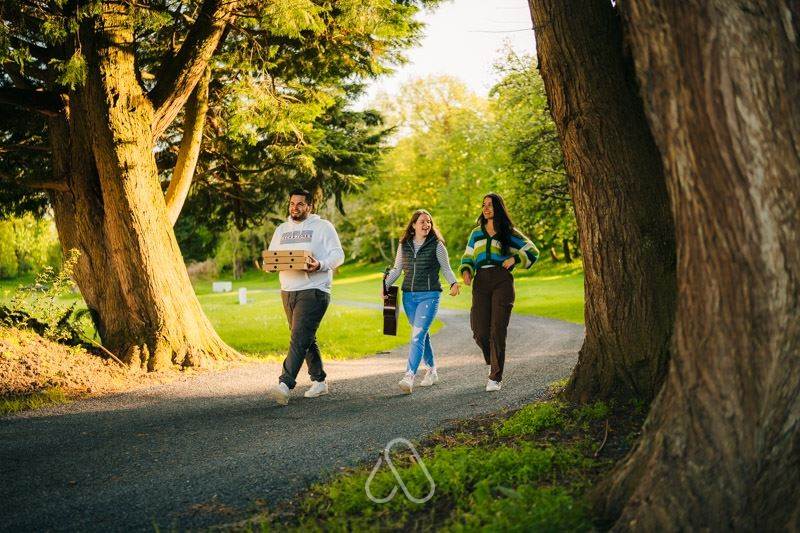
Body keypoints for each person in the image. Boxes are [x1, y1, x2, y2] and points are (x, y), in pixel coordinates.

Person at [266, 188, 344, 406]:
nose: (295, 208)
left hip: (315, 290)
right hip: (288, 290)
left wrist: (320, 264)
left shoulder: (323, 227)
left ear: (310, 206)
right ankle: (319, 381)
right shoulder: (281, 230)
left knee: (299, 337)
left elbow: (338, 255)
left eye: (300, 204)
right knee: (305, 337)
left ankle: (285, 384)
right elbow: (272, 257)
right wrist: (269, 265)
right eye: (292, 203)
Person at [460, 193, 539, 392]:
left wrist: (514, 259)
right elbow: (468, 256)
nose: (486, 208)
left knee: (497, 329)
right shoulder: (476, 233)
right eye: (484, 205)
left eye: (490, 205)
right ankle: (492, 360)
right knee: (479, 330)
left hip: (502, 281)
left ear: (498, 207)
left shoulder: (508, 232)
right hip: (481, 282)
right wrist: (467, 271)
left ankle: (495, 377)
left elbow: (533, 251)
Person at [384, 209, 460, 394]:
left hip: (430, 295)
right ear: (413, 225)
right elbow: (397, 269)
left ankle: (409, 375)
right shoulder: (404, 245)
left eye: (429, 222)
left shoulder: (437, 245)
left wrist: (453, 283)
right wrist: (384, 286)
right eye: (422, 222)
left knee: (417, 335)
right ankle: (432, 370)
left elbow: (446, 269)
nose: (427, 225)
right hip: (409, 297)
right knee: (421, 334)